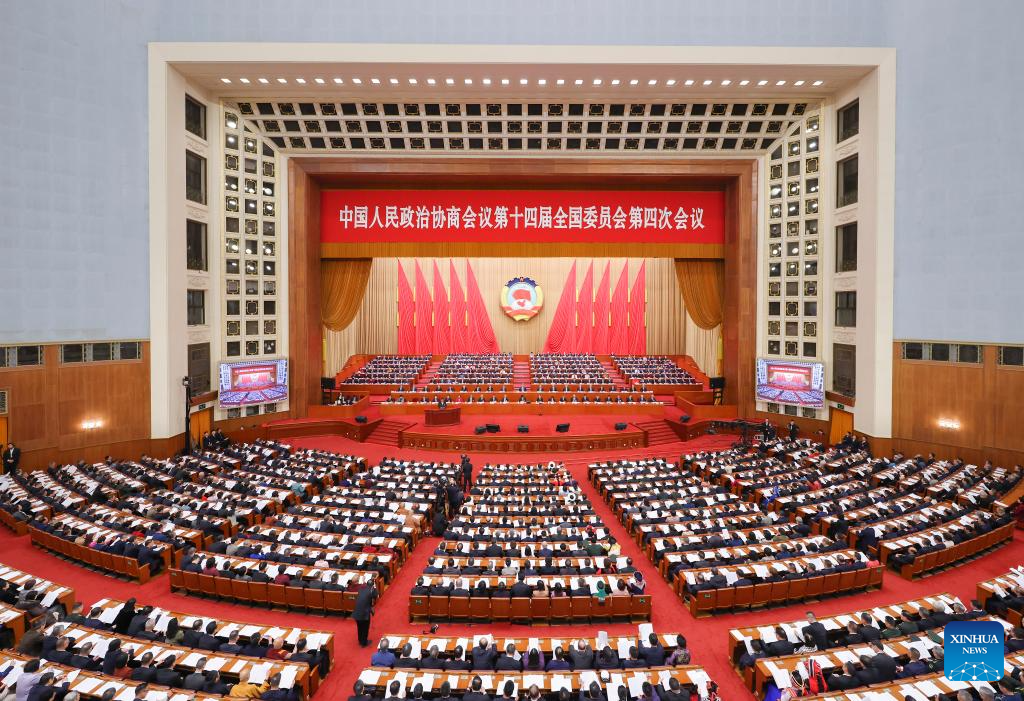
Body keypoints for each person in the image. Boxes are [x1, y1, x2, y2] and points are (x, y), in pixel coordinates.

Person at [352, 583, 377, 647]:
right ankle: (364, 642)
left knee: (359, 627)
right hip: (364, 613)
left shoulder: (361, 589)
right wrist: (375, 588)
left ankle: (360, 640)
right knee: (365, 628)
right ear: (372, 586)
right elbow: (376, 595)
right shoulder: (371, 591)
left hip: (357, 612)